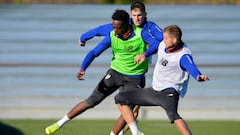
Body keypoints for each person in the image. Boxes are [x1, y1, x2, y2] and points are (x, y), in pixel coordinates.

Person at [45, 9, 161, 135]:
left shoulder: (141, 33)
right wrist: (83, 68)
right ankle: (59, 124)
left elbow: (157, 42)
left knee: (127, 110)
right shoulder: (112, 35)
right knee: (91, 101)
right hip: (115, 73)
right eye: (113, 27)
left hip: (135, 78)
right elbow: (94, 51)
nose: (115, 31)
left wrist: (145, 53)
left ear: (127, 26)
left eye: (118, 28)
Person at [78, 1, 163, 134]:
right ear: (131, 15)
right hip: (124, 72)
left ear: (145, 15)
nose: (137, 18)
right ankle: (132, 131)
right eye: (134, 15)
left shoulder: (148, 27)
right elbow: (100, 29)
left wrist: (146, 53)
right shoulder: (123, 24)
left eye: (139, 15)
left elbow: (163, 39)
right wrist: (84, 37)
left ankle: (129, 129)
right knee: (130, 110)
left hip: (137, 73)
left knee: (132, 110)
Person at [115, 25, 210, 135]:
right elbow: (156, 47)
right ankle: (136, 132)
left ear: (174, 40)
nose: (163, 40)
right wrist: (144, 54)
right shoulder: (162, 45)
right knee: (120, 98)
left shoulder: (183, 55)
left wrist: (198, 76)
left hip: (169, 93)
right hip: (154, 91)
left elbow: (191, 67)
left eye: (166, 38)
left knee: (174, 115)